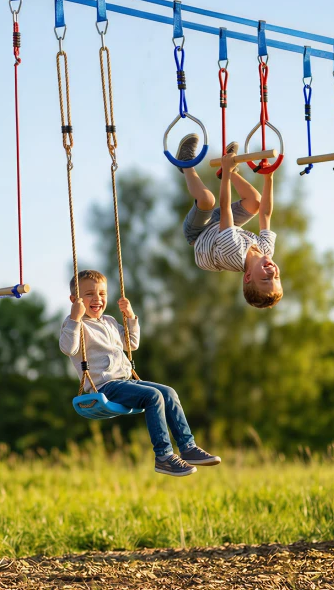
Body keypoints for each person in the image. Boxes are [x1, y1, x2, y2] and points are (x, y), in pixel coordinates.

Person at [59, 269, 221, 476]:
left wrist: (130, 317)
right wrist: (74, 317)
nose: (97, 299)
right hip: (104, 386)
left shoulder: (109, 321)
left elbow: (131, 344)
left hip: (126, 382)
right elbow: (68, 348)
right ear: (75, 300)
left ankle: (187, 447)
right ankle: (163, 456)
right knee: (153, 396)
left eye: (102, 294)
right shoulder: (76, 324)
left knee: (169, 392)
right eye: (89, 294)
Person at [177, 136, 282, 308]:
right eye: (276, 277)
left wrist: (227, 171)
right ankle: (228, 171)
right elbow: (265, 213)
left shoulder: (233, 252)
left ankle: (186, 163)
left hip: (199, 232)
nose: (272, 272)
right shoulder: (267, 251)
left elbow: (225, 207)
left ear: (247, 276)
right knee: (255, 202)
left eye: (265, 278)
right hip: (223, 227)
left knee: (207, 200)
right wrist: (269, 177)